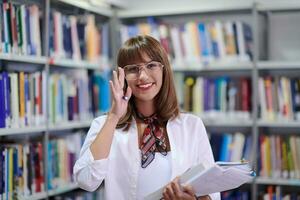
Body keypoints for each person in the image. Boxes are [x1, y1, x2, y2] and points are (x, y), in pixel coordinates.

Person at [73, 35, 220, 200]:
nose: (142, 76)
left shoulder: (192, 125)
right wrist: (114, 116)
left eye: (151, 65)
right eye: (133, 69)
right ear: (122, 75)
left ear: (164, 70)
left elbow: (213, 192)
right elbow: (86, 180)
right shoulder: (105, 125)